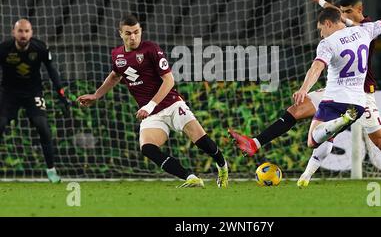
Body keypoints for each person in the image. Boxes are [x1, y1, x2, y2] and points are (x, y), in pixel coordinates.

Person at [229, 0, 381, 187]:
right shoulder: (360, 29)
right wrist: (320, 2)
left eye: (348, 12)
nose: (344, 15)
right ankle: (259, 146)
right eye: (343, 12)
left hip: (364, 94)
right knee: (297, 111)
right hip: (337, 91)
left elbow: (318, 64)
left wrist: (303, 88)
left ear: (359, 10)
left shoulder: (363, 27)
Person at [77, 15, 228, 188]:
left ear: (140, 31)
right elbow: (115, 76)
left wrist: (150, 105)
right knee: (147, 148)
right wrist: (96, 95)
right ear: (120, 34)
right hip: (151, 113)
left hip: (171, 104)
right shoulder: (117, 55)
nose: (133, 37)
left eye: (136, 32)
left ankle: (222, 166)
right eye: (128, 33)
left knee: (202, 142)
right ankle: (190, 177)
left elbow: (169, 80)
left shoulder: (151, 49)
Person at [0, 19, 71, 183]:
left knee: (43, 127)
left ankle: (51, 171)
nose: (23, 34)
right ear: (13, 33)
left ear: (31, 33)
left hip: (33, 92)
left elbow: (52, 71)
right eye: (20, 31)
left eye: (26, 31)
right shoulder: (3, 49)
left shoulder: (40, 48)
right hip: (9, 93)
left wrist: (62, 95)